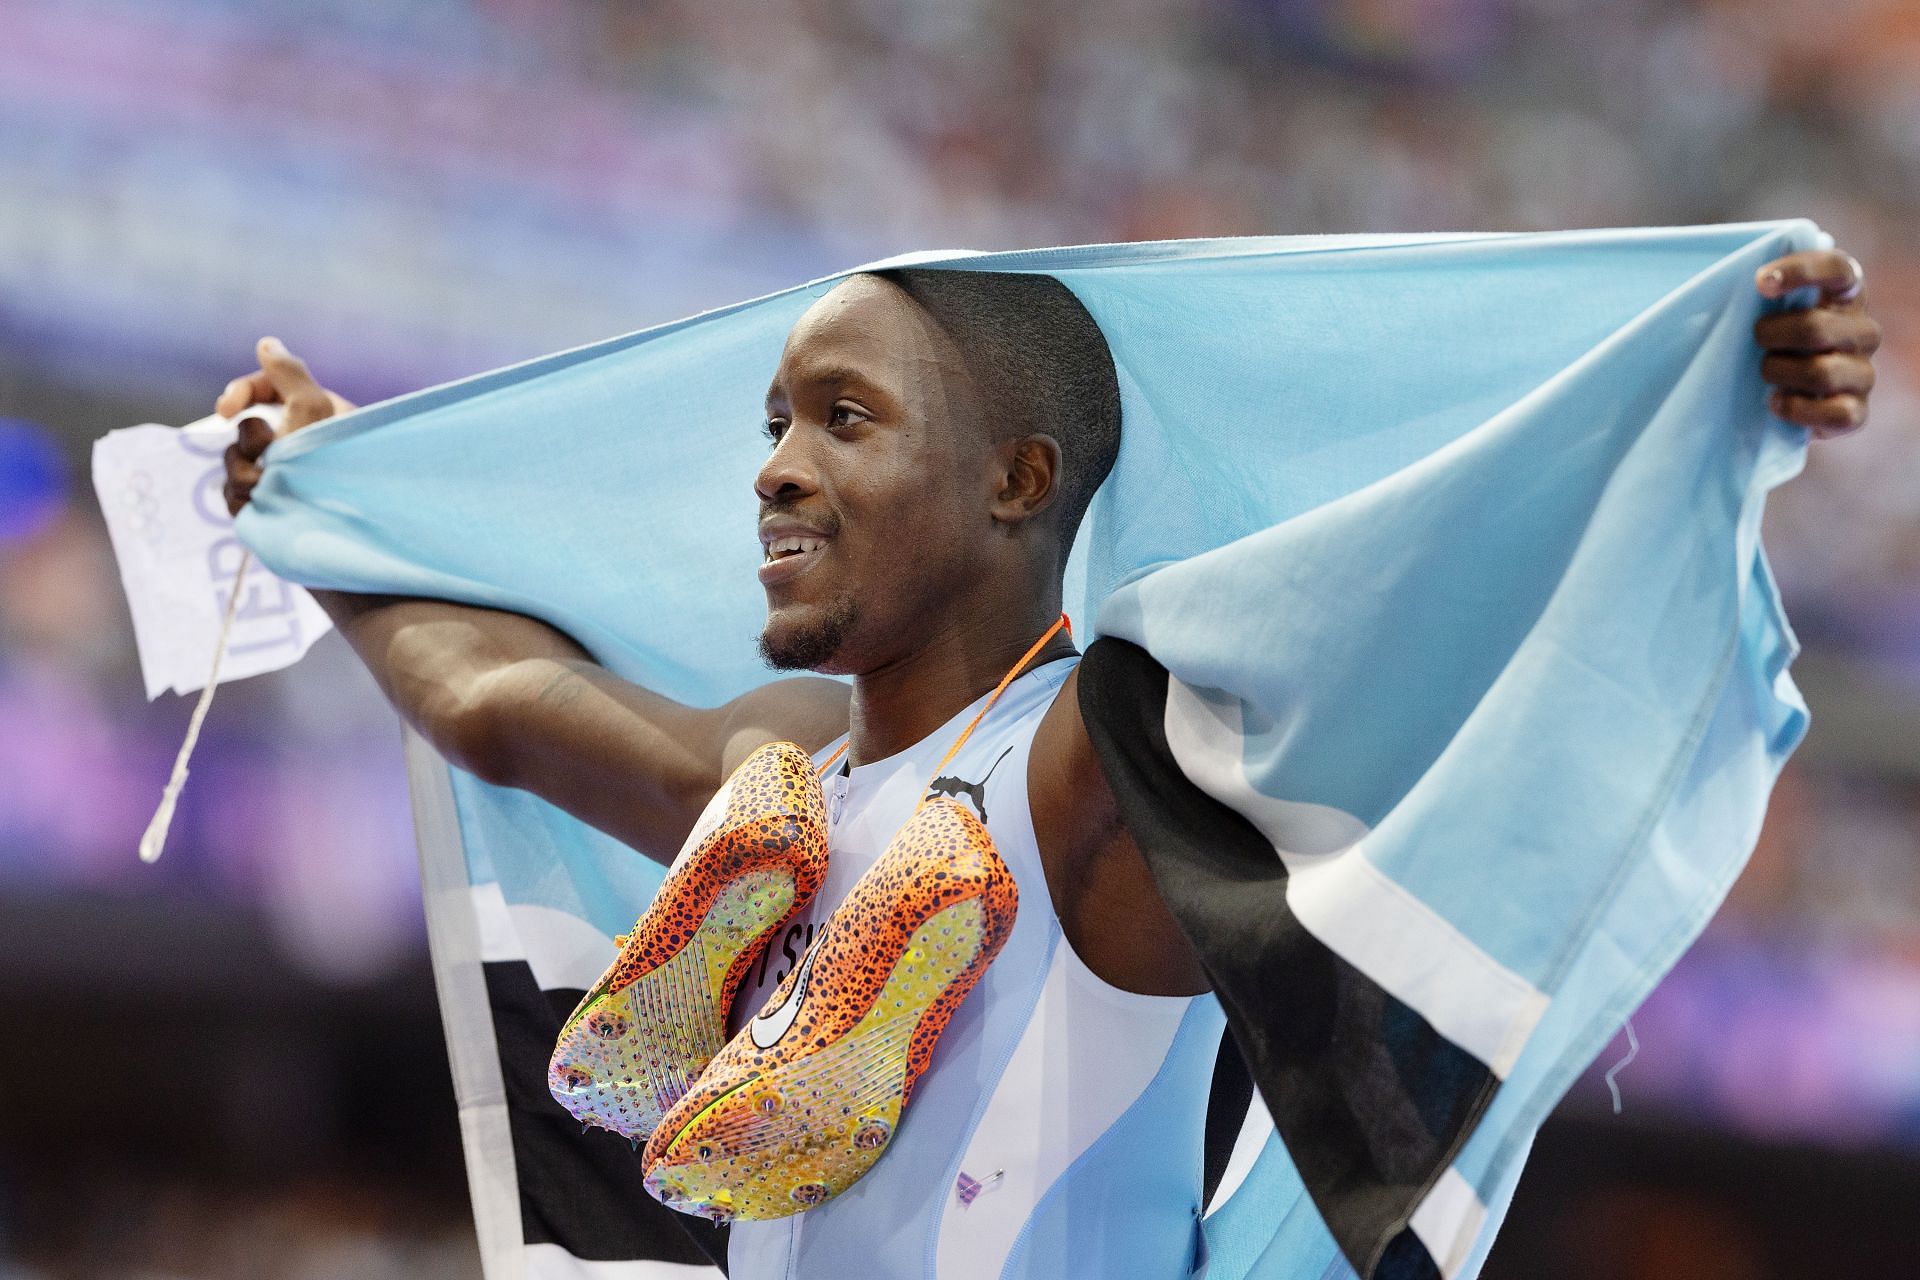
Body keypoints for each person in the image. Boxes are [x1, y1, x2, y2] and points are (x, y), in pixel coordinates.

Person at [219, 248, 1881, 1278]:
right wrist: (316, 495)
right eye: (773, 425)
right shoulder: (782, 770)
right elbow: (495, 697)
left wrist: (1714, 391)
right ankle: (782, 1026)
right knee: (764, 816)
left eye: (842, 420)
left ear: (1019, 479)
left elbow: (1439, 568)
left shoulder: (1107, 760)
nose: (776, 473)